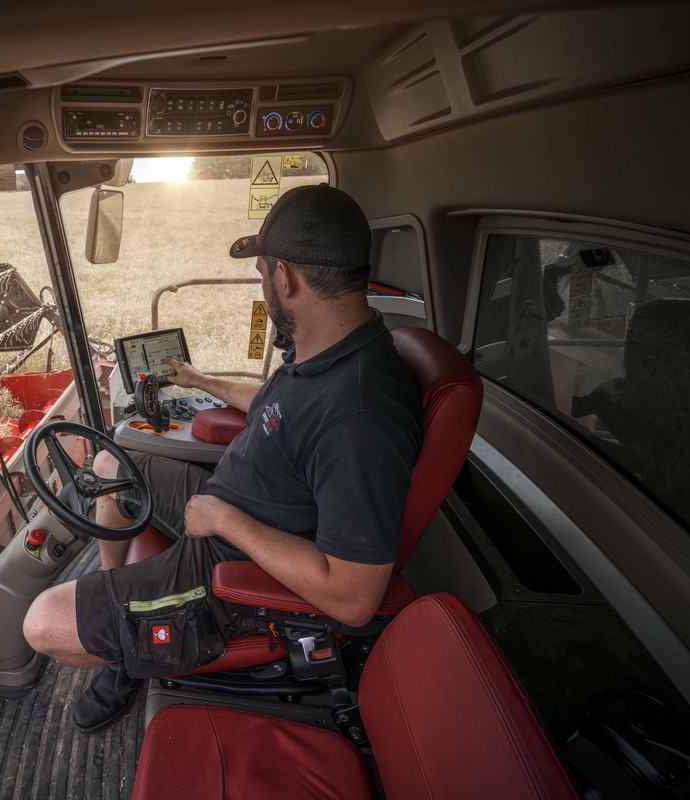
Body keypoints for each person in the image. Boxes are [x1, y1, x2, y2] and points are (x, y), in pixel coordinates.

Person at [22, 184, 424, 732]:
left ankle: (126, 657)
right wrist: (199, 380)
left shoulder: (361, 416)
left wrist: (222, 518)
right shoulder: (332, 351)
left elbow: (354, 599)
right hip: (225, 505)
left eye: (263, 274)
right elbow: (277, 409)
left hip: (233, 560)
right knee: (111, 467)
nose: (264, 287)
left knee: (42, 624)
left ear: (285, 277)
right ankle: (125, 624)